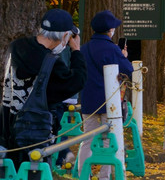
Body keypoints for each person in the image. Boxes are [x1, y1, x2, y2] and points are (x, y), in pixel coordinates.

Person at [1, 9, 86, 164]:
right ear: (65, 36)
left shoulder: (15, 47)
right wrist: (76, 52)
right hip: (34, 135)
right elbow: (76, 82)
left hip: (6, 128)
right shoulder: (51, 62)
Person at [77, 10, 134, 179]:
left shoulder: (84, 49)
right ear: (109, 30)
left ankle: (83, 175)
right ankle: (104, 176)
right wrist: (124, 56)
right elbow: (128, 70)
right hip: (110, 103)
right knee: (109, 140)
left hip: (88, 101)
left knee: (87, 141)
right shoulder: (112, 49)